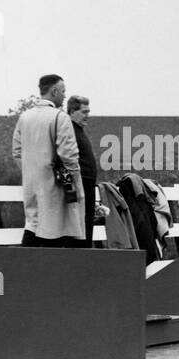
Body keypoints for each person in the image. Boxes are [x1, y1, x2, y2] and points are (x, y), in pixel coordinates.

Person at [12, 73, 84, 247]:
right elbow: (69, 156)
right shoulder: (60, 118)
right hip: (54, 185)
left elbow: (16, 152)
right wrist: (75, 181)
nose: (65, 95)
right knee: (56, 230)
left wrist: (30, 170)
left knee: (32, 225)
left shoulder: (25, 117)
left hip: (31, 184)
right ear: (54, 91)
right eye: (63, 91)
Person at [67, 94, 98, 248]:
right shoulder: (69, 130)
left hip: (87, 186)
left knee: (87, 227)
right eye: (84, 112)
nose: (88, 116)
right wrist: (74, 191)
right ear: (72, 111)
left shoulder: (79, 130)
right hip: (79, 186)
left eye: (88, 111)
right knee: (80, 230)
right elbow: (65, 160)